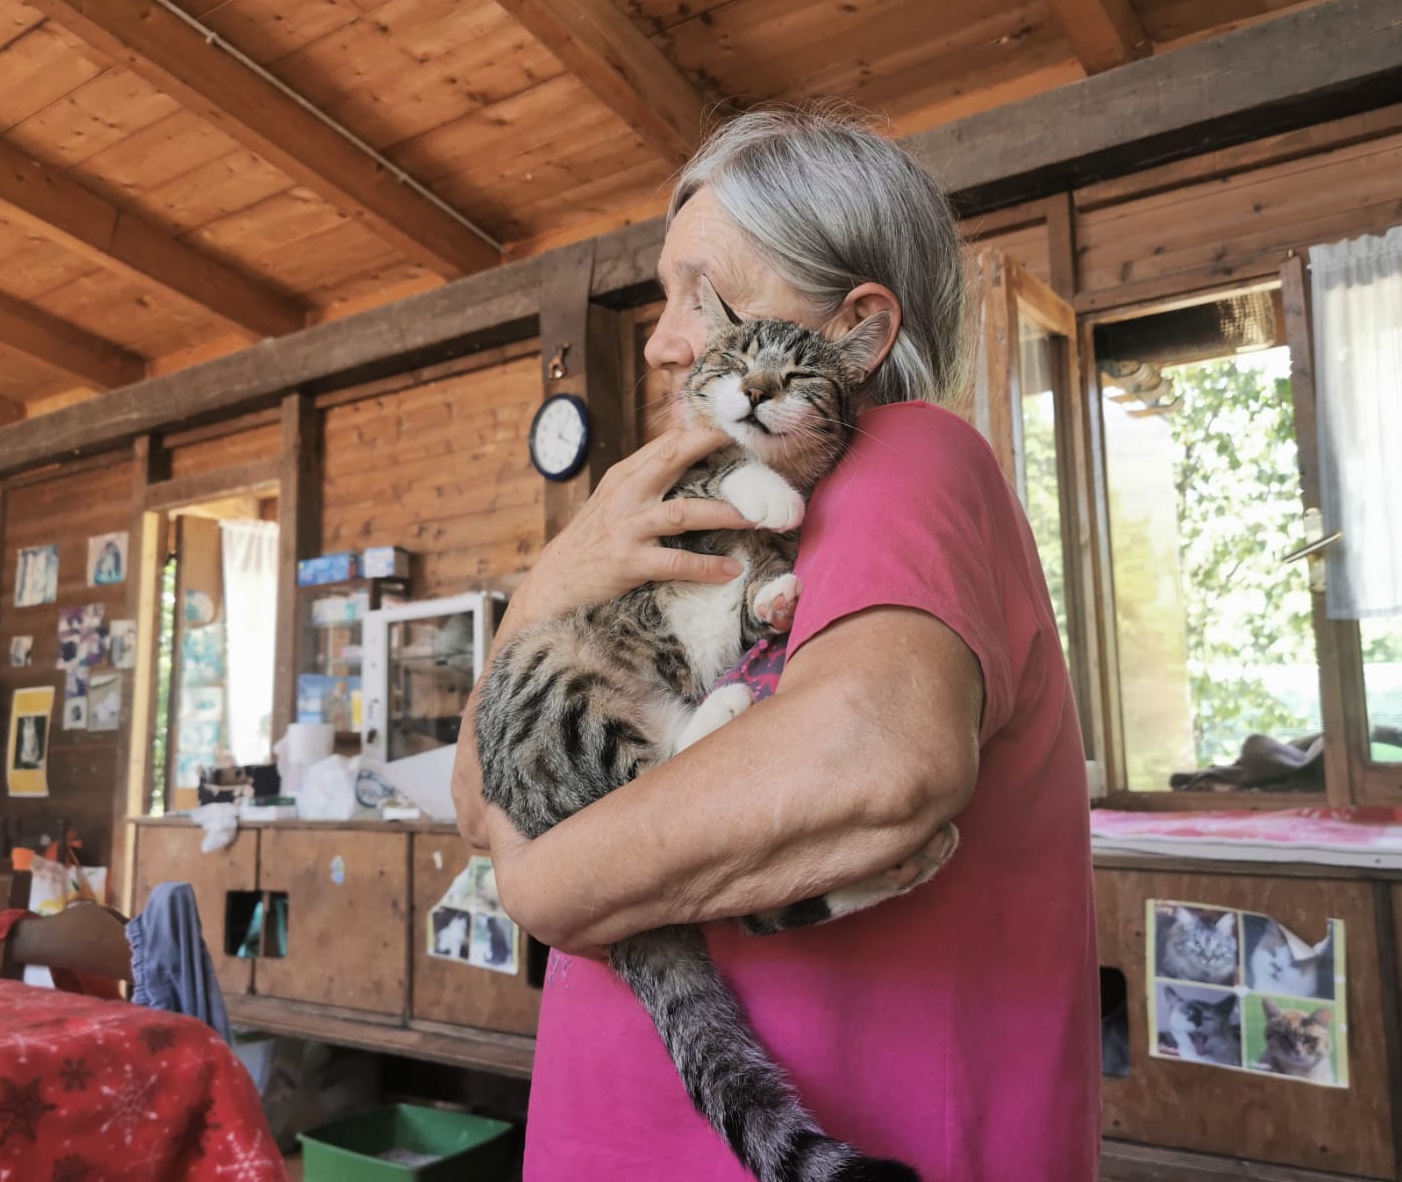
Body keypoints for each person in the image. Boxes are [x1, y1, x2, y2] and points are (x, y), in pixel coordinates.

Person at [452, 106, 1100, 1180]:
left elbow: (874, 757)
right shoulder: (702, 509)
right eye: (668, 298)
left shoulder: (906, 456)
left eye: (701, 294)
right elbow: (479, 800)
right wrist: (548, 586)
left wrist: (539, 889)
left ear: (856, 328)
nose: (661, 339)